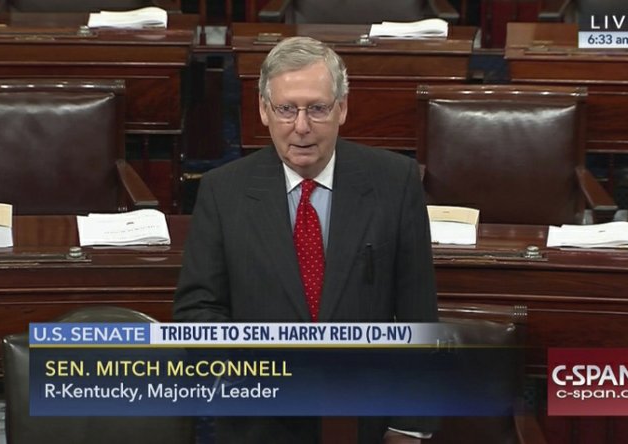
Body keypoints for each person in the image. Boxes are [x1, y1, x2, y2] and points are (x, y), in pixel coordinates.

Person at [173, 36, 438, 444]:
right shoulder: (222, 191)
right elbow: (198, 311)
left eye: (317, 108)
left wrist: (407, 424)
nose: (301, 127)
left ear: (342, 108)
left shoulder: (394, 182)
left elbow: (418, 314)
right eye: (286, 109)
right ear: (263, 110)